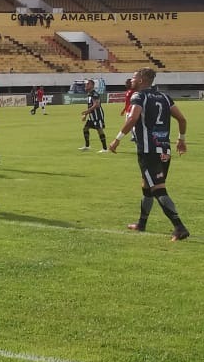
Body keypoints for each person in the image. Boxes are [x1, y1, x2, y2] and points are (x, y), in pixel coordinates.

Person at [108, 68, 190, 241]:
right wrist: (181, 139)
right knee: (147, 186)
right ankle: (141, 223)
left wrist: (117, 140)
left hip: (148, 150)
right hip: (164, 149)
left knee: (158, 188)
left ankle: (179, 227)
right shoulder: (165, 97)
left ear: (141, 80)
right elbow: (182, 119)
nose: (131, 80)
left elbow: (133, 118)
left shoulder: (139, 96)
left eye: (134, 77)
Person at [79, 79, 108, 152]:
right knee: (85, 129)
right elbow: (90, 105)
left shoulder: (94, 94)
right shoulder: (89, 94)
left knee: (99, 130)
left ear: (92, 85)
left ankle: (105, 148)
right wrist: (86, 115)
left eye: (88, 84)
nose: (86, 85)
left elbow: (96, 105)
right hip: (91, 116)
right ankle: (87, 146)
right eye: (86, 84)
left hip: (97, 115)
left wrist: (86, 112)